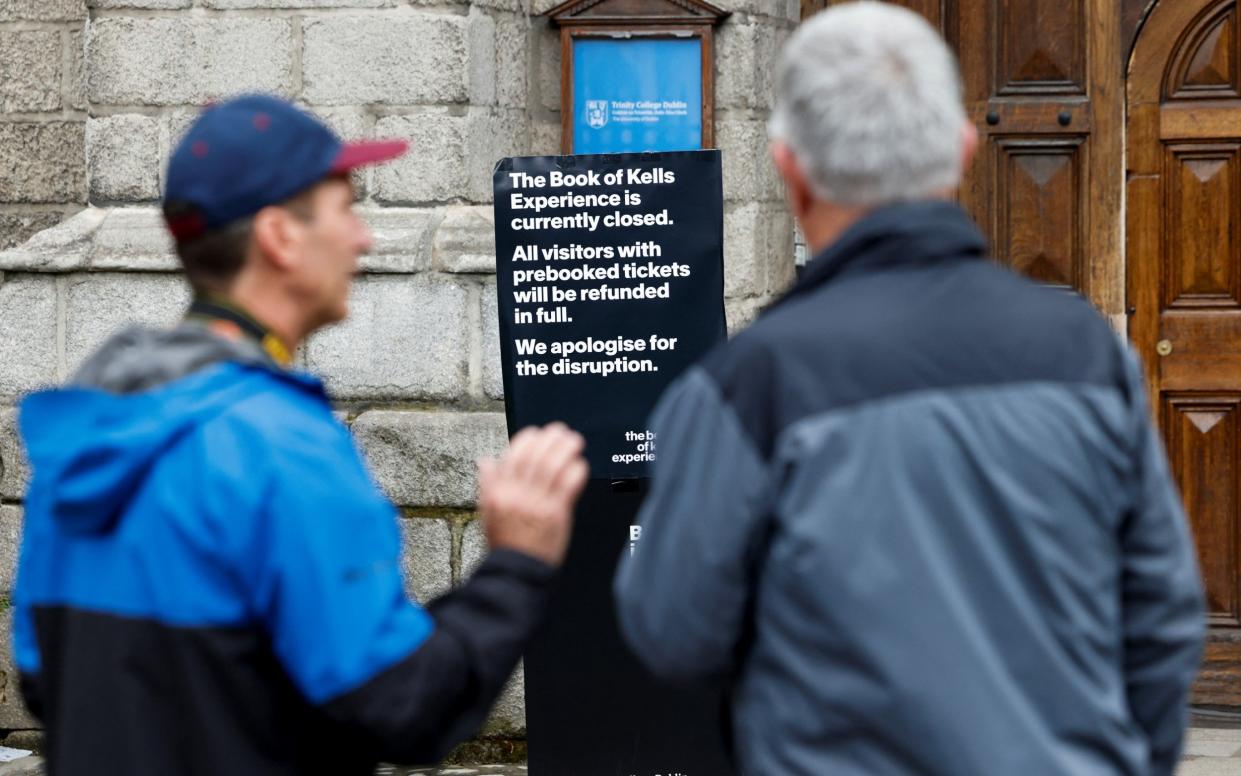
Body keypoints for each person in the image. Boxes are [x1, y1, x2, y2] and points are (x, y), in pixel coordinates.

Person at [614, 4, 1206, 775]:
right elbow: (1161, 617)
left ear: (788, 166)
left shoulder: (746, 385)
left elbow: (672, 626)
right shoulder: (1082, 354)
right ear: (962, 152)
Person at [12, 94, 588, 776]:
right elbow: (400, 706)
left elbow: (44, 681)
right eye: (344, 209)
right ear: (280, 236)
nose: (364, 238)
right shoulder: (282, 445)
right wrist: (516, 566)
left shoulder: (86, 431)